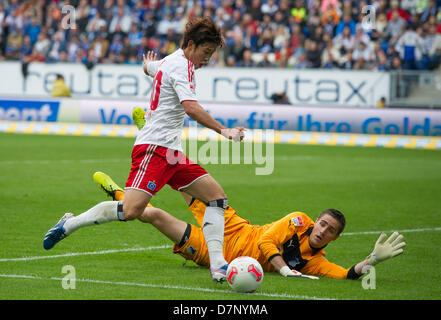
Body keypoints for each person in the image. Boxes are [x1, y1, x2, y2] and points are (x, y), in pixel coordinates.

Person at [43, 17, 245, 283]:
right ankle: (69, 223)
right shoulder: (181, 66)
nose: (207, 59)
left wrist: (147, 66)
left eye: (211, 54)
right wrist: (224, 130)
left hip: (172, 152)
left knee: (216, 198)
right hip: (154, 149)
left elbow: (153, 68)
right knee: (130, 211)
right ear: (192, 45)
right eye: (206, 53)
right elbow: (191, 108)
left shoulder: (172, 61)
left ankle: (218, 265)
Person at [92, 171, 406, 279]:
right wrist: (284, 270)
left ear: (334, 238)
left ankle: (119, 194)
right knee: (185, 185)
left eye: (330, 231)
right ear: (316, 221)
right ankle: (154, 143)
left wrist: (372, 260)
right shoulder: (298, 221)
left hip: (210, 254)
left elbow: (346, 275)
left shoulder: (315, 263)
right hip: (234, 228)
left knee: (155, 216)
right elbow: (266, 243)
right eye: (322, 224)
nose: (323, 230)